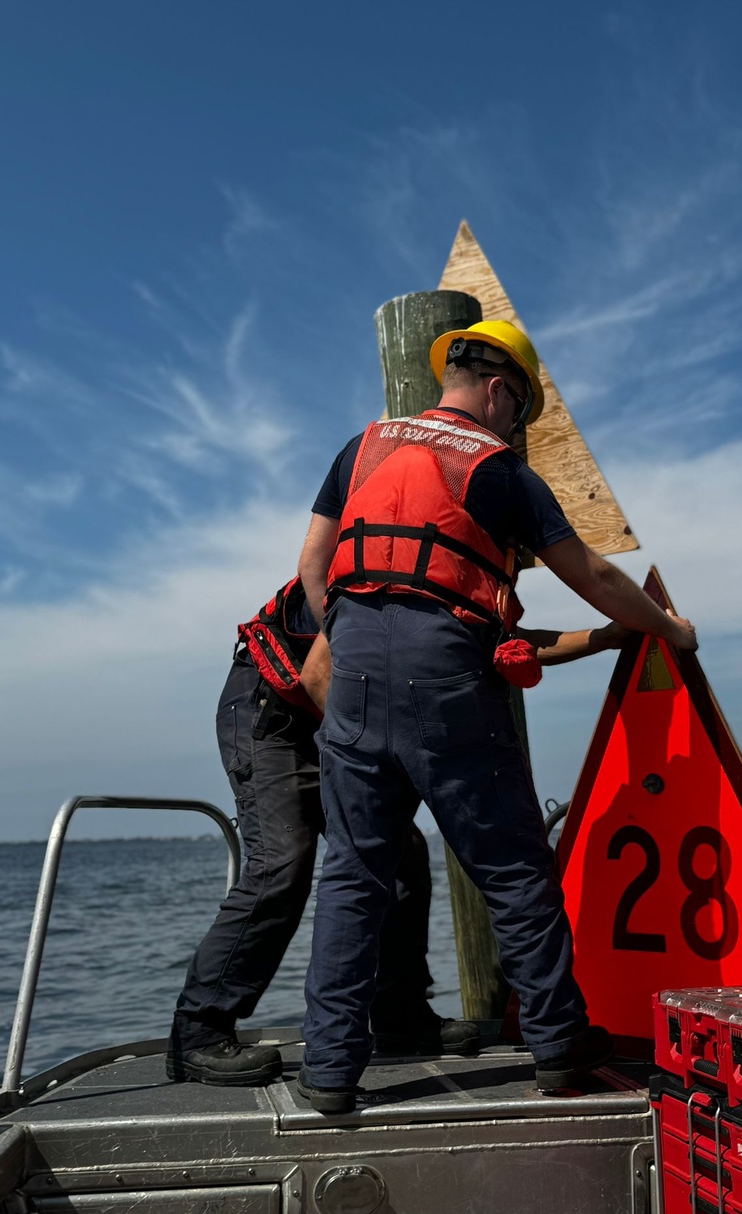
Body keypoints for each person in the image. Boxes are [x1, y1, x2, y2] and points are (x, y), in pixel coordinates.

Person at [296, 319, 698, 1114]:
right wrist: (665, 629)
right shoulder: (499, 468)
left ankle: (331, 1072)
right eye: (521, 411)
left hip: (354, 661)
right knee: (513, 866)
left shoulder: (360, 448)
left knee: (353, 872)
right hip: (444, 671)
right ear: (500, 390)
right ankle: (556, 1044)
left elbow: (313, 566)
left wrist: (352, 637)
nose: (518, 426)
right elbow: (590, 573)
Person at [166, 573, 630, 1086]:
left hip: (340, 707)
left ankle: (401, 1017)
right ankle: (199, 1030)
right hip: (271, 709)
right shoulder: (371, 561)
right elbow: (319, 673)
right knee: (283, 861)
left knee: (404, 853)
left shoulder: (465, 577)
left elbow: (506, 644)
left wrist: (603, 637)